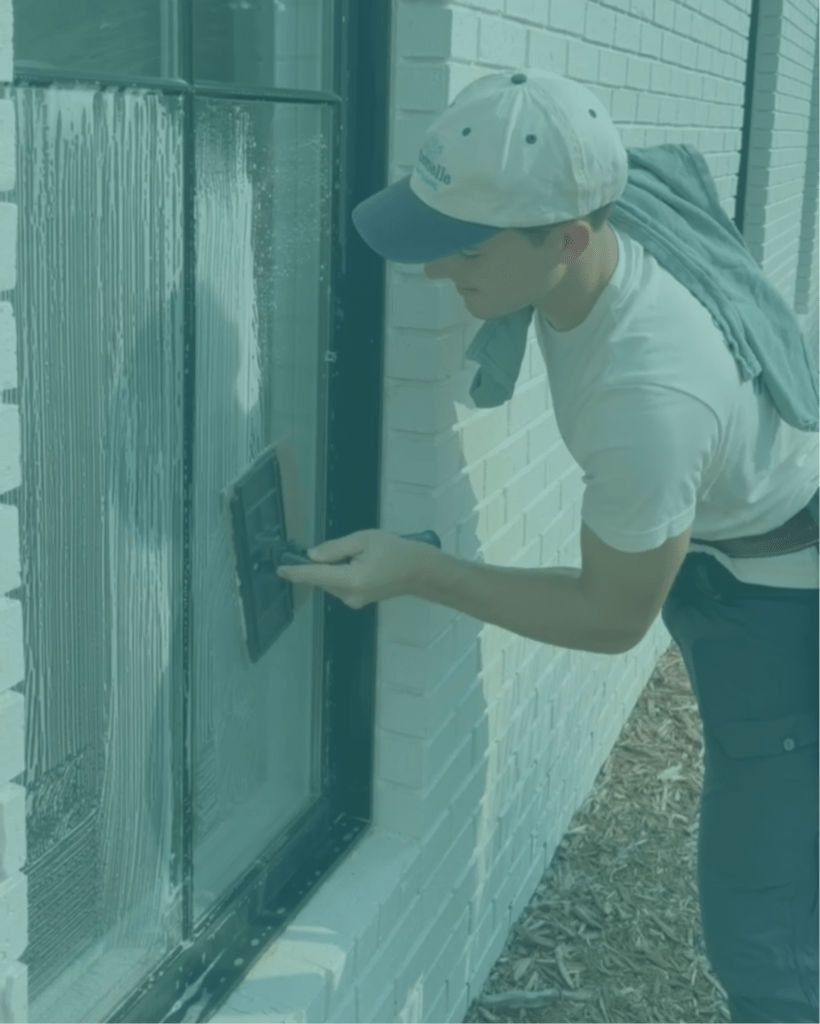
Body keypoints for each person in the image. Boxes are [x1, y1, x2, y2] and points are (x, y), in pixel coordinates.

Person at [350, 68, 820, 1023]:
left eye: (465, 251)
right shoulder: (620, 195)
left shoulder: (645, 395)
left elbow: (612, 618)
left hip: (784, 607)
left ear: (568, 239)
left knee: (764, 940)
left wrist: (419, 570)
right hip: (737, 546)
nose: (438, 271)